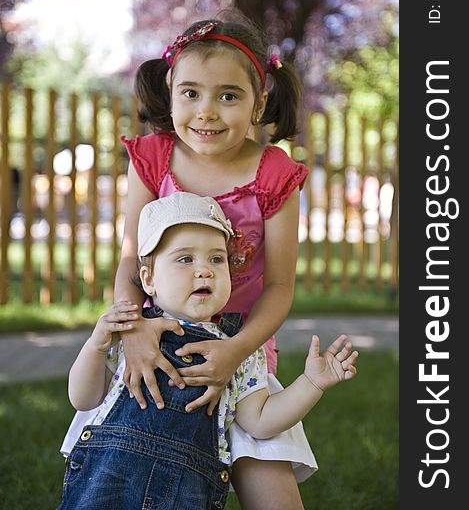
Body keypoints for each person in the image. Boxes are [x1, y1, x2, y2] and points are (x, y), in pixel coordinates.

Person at [116, 14, 318, 508]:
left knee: (268, 481)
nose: (206, 112)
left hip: (243, 345)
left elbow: (279, 286)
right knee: (138, 475)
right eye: (191, 93)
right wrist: (132, 330)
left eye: (228, 95)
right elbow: (128, 260)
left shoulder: (274, 175)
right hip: (155, 336)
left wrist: (236, 351)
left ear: (259, 102)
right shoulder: (154, 158)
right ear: (170, 90)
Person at [58, 193, 358, 509]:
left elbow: (259, 422)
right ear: (149, 279)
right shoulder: (130, 334)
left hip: (187, 491)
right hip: (107, 479)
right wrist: (96, 346)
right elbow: (83, 398)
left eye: (216, 259)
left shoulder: (238, 349)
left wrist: (310, 384)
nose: (205, 271)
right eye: (185, 259)